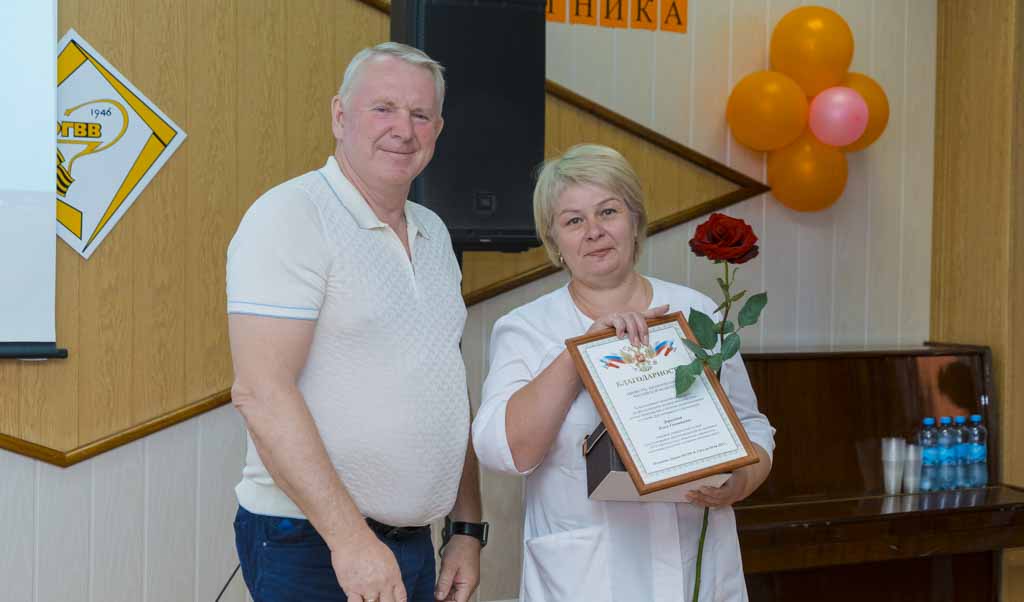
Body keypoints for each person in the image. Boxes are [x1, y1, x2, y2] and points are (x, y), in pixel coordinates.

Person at [226, 42, 485, 602]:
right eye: (383, 109)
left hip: (412, 543)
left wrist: (466, 527)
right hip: (313, 543)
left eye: (420, 115)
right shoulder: (291, 215)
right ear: (340, 116)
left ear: (438, 130)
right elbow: (260, 393)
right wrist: (350, 541)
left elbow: (445, 387)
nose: (403, 130)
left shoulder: (434, 232)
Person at [472, 144, 775, 601]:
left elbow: (751, 427)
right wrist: (579, 355)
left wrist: (739, 483)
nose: (594, 231)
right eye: (574, 221)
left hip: (697, 567)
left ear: (635, 220)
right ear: (555, 241)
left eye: (608, 212)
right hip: (586, 580)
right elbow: (504, 453)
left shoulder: (695, 311)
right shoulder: (526, 329)